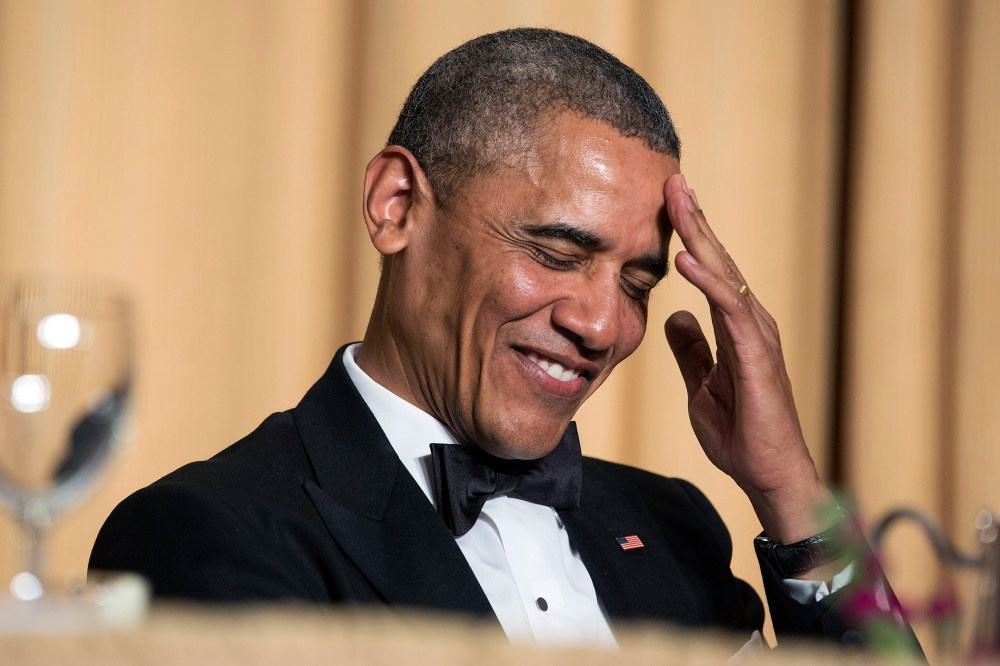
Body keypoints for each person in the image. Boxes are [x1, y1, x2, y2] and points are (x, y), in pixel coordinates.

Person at [90, 28, 917, 652]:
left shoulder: (676, 527)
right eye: (557, 254)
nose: (602, 326)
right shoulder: (204, 533)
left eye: (637, 283)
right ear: (396, 206)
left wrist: (792, 494)